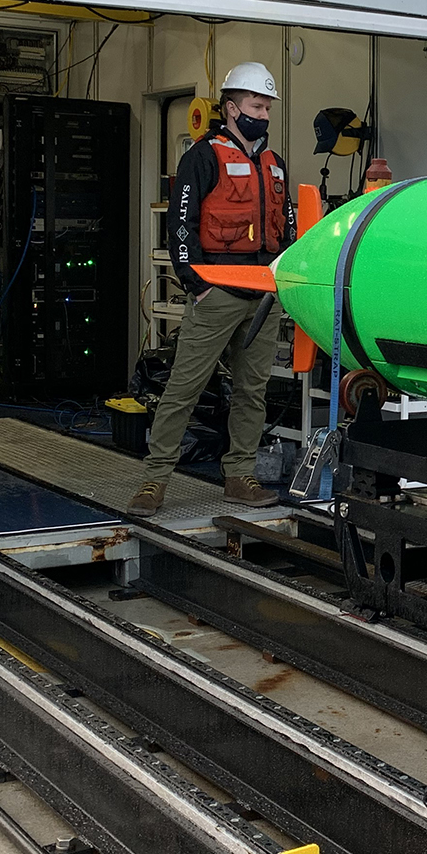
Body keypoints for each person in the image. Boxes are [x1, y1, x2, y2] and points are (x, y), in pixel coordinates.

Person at [129, 62, 296, 516]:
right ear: (231, 107)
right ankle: (153, 481)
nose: (263, 113)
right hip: (217, 290)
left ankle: (239, 476)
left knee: (252, 391)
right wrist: (195, 284)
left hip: (264, 293)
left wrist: (284, 283)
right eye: (256, 105)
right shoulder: (202, 157)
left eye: (267, 106)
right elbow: (180, 225)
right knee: (184, 387)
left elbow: (288, 230)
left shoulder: (274, 163)